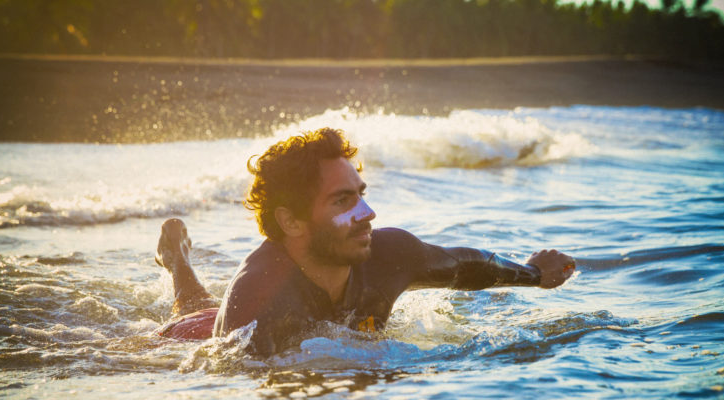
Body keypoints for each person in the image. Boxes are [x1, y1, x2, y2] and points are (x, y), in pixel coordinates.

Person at [157, 128, 575, 356]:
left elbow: (463, 264)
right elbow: (221, 389)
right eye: (343, 200)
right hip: (189, 335)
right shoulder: (257, 301)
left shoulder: (388, 254)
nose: (368, 213)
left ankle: (177, 256)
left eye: (361, 193)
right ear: (292, 221)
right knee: (192, 305)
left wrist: (533, 274)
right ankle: (177, 259)